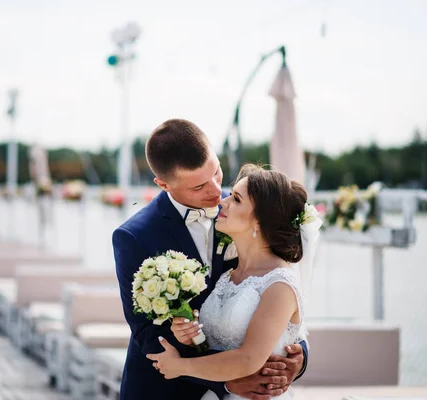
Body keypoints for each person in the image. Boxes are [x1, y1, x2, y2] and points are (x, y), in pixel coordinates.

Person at [113, 119, 309, 400]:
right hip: (166, 391)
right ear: (163, 184)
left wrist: (298, 353)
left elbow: (281, 296)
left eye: (216, 173)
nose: (217, 193)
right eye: (198, 187)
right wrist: (228, 382)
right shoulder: (134, 237)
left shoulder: (248, 209)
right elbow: (146, 333)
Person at [148, 164, 321, 399]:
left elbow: (249, 358)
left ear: (259, 221)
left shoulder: (280, 284)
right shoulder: (227, 276)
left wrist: (180, 366)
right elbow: (215, 342)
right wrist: (187, 336)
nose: (223, 201)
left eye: (236, 199)